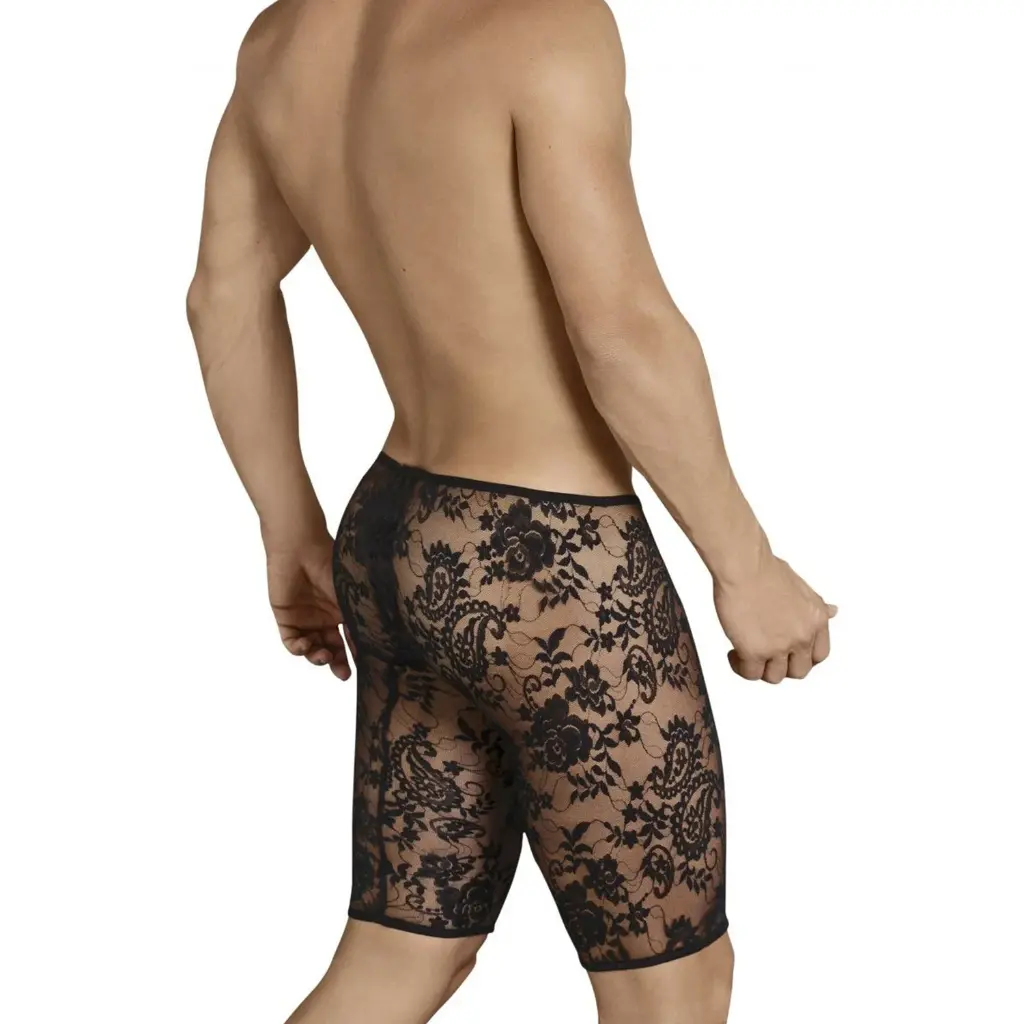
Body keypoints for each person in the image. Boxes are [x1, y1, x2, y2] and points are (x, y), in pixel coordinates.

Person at [186, 1, 836, 1021]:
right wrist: (746, 565)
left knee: (405, 952)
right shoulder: (544, 23)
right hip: (550, 569)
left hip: (392, 536)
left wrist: (290, 527)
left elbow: (221, 294)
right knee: (673, 989)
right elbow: (619, 329)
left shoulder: (283, 38)